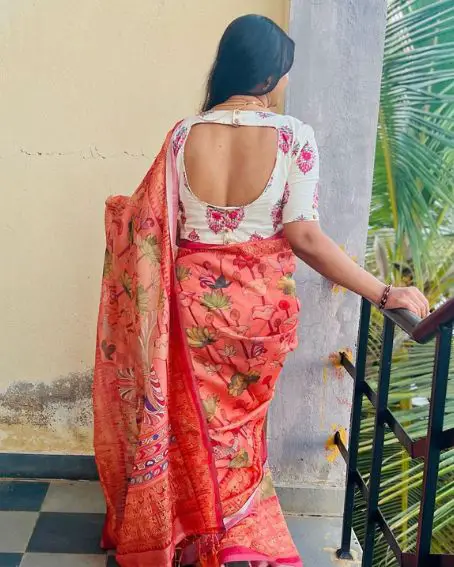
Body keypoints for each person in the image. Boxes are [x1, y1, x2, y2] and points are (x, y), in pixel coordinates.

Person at [93, 14, 429, 567]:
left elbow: (153, 229)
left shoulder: (183, 134)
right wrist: (380, 290)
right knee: (239, 433)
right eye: (286, 73)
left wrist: (121, 219)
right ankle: (233, 540)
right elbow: (306, 237)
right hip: (258, 315)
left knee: (191, 425)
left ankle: (194, 536)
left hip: (192, 308)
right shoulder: (294, 136)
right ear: (271, 75)